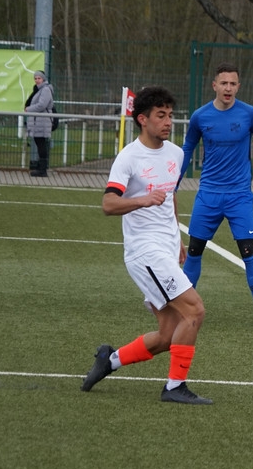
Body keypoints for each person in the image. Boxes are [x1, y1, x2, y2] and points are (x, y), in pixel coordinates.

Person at [81, 85, 212, 405]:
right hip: (144, 252)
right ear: (142, 119)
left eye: (171, 115)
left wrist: (177, 238)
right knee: (194, 310)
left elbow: (170, 196)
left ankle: (109, 360)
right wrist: (141, 200)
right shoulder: (129, 157)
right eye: (161, 116)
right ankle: (174, 387)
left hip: (166, 249)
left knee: (167, 336)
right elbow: (108, 204)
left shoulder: (176, 153)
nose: (168, 122)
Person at [178, 62, 253, 329]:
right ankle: (183, 309)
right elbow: (187, 148)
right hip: (208, 195)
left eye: (233, 83)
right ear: (214, 86)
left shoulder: (249, 114)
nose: (228, 88)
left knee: (248, 252)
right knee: (194, 251)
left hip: (239, 196)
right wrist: (174, 182)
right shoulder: (200, 116)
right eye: (224, 83)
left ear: (238, 86)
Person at [25, 70, 55, 177]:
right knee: (39, 144)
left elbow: (42, 105)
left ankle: (42, 169)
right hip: (38, 121)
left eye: (39, 78)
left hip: (42, 121)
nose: (37, 80)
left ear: (43, 79)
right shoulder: (40, 90)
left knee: (41, 144)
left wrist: (28, 109)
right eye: (35, 78)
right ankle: (40, 167)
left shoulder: (45, 90)